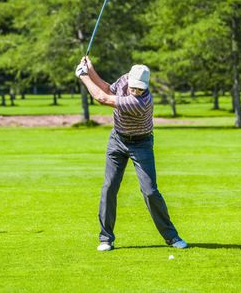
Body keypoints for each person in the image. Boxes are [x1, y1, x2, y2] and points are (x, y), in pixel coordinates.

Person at [75, 56, 187, 251]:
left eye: (140, 88)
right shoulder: (125, 79)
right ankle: (105, 239)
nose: (136, 90)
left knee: (150, 191)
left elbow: (102, 98)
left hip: (141, 143)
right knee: (109, 187)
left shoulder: (141, 102)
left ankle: (171, 236)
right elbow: (109, 89)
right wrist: (90, 69)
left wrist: (83, 77)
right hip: (117, 140)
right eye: (134, 87)